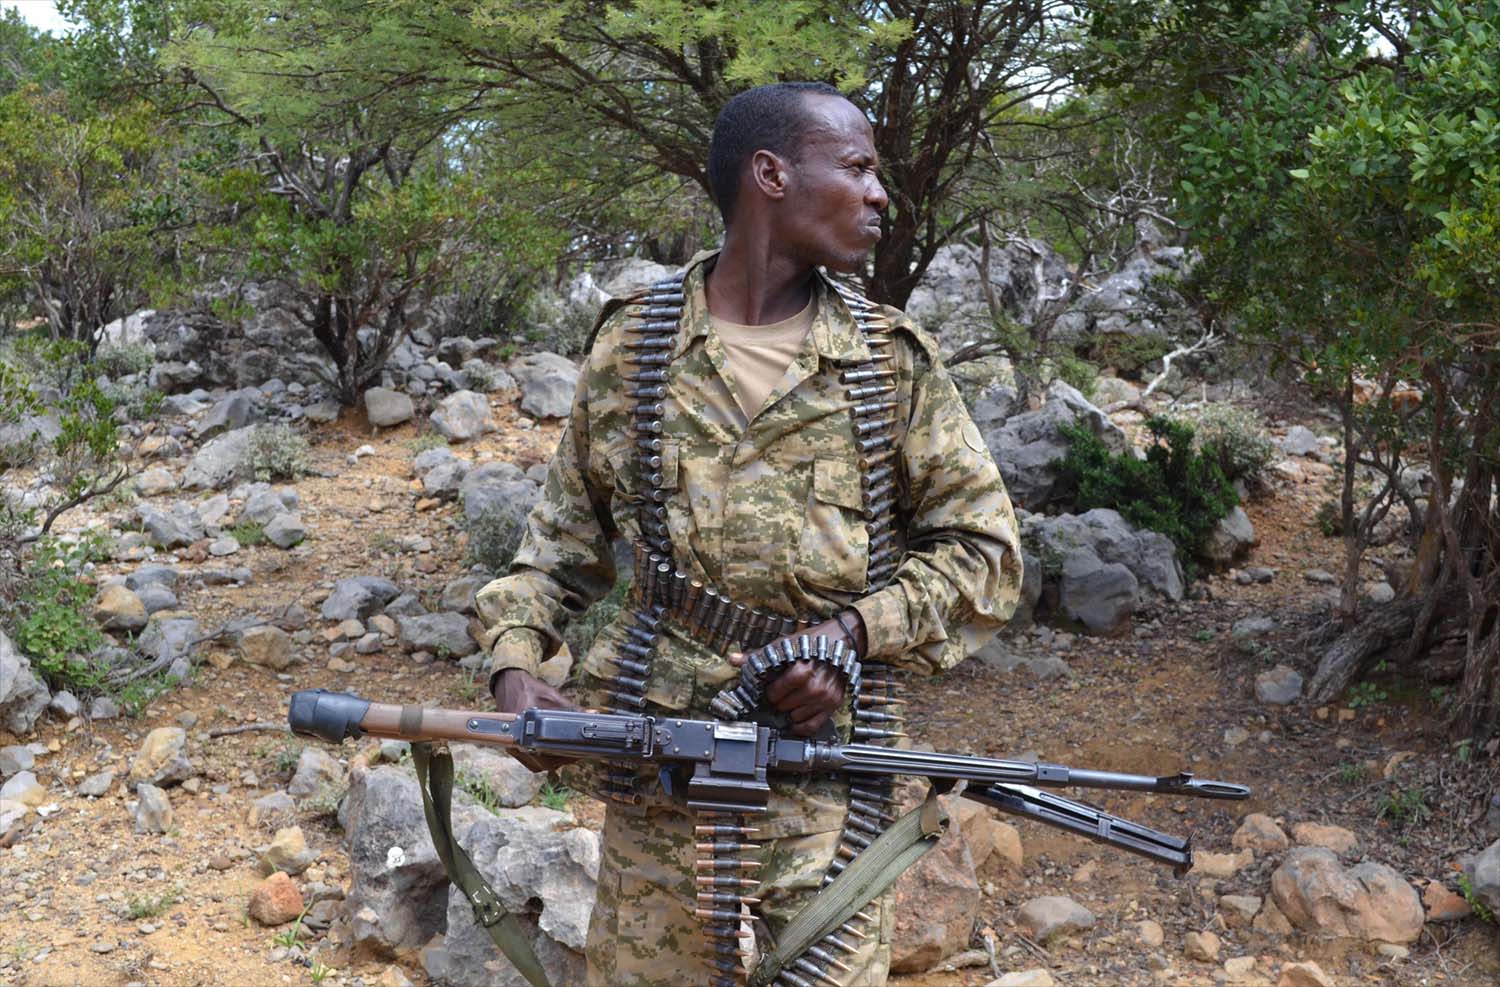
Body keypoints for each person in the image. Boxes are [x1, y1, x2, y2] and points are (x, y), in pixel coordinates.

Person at [475, 81, 1022, 987]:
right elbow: (557, 553)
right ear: (770, 173)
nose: (881, 194)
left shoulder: (888, 366)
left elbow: (988, 556)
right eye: (857, 168)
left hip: (830, 786)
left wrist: (849, 637)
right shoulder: (633, 349)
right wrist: (515, 669)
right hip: (658, 791)